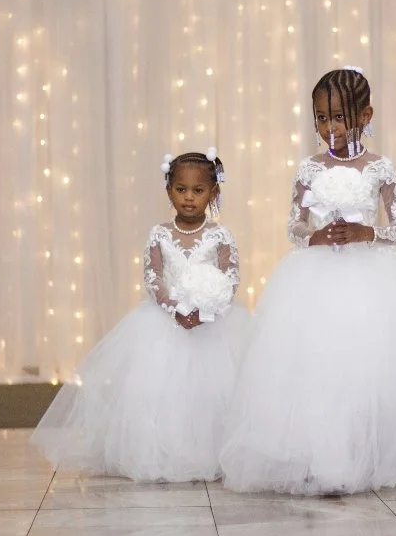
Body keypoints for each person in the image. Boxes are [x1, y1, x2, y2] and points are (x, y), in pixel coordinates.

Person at [219, 66, 396, 495]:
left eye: (339, 117)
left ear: (366, 114)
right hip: (314, 279)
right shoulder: (308, 169)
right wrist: (314, 235)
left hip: (371, 277)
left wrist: (366, 233)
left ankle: (366, 454)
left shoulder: (380, 168)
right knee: (315, 365)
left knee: (368, 366)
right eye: (321, 118)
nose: (329, 127)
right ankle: (314, 454)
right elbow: (294, 226)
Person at [30, 147, 249, 481]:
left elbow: (229, 278)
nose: (189, 198)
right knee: (161, 394)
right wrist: (175, 307)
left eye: (198, 190)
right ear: (168, 190)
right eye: (181, 190)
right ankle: (166, 451)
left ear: (213, 192)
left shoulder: (220, 235)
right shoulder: (160, 234)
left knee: (211, 394)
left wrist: (207, 307)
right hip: (166, 322)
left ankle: (211, 452)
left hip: (211, 324)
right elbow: (153, 277)